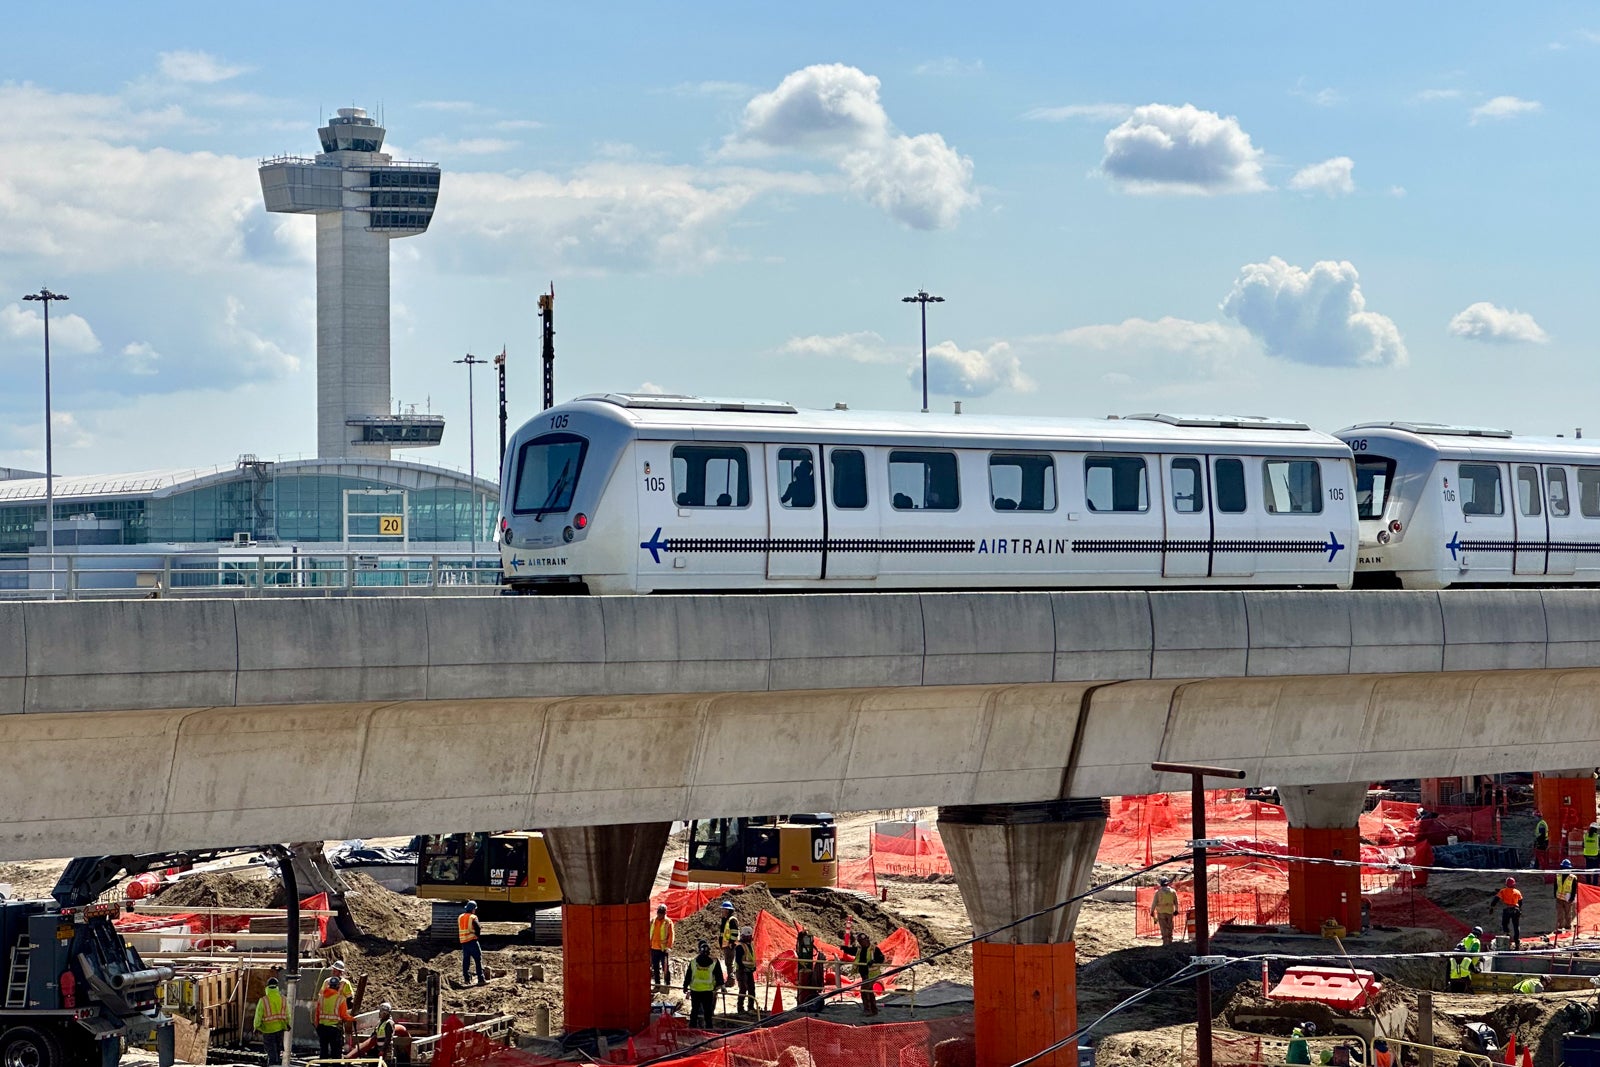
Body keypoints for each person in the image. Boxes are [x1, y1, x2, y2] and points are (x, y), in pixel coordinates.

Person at [682, 940, 724, 1029]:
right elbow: (719, 976)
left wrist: (685, 986)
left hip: (695, 990)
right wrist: (720, 986)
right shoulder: (714, 962)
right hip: (708, 991)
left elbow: (688, 975)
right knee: (708, 1012)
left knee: (694, 1011)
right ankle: (708, 1029)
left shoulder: (693, 962)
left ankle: (692, 1028)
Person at [313, 974, 354, 1061]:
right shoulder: (340, 999)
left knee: (323, 1051)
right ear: (338, 986)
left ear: (329, 985)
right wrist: (352, 1019)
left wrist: (317, 1026)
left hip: (322, 1028)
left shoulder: (321, 998)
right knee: (336, 1052)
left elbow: (316, 1014)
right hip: (334, 1029)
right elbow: (344, 1015)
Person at [252, 976, 289, 1066]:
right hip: (280, 1029)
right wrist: (287, 1024)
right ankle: (278, 1064)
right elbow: (288, 1014)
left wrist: (256, 1027)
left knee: (271, 1051)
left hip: (268, 1030)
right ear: (277, 987)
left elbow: (258, 1016)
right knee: (278, 1050)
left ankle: (273, 1065)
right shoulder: (283, 999)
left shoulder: (263, 1000)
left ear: (267, 987)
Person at [853, 932, 884, 1018]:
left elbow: (881, 958)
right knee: (869, 992)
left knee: (864, 991)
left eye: (863, 941)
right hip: (864, 975)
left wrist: (874, 961)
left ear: (867, 940)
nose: (862, 943)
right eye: (860, 941)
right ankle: (874, 1010)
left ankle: (868, 1010)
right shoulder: (860, 949)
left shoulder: (874, 949)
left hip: (872, 974)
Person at [795, 929, 824, 1013]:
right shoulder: (800, 948)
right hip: (803, 967)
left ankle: (804, 1000)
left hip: (806, 966)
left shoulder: (805, 946)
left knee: (806, 982)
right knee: (804, 982)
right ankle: (802, 1001)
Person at [458, 901, 486, 986]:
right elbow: (477, 928)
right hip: (472, 941)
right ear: (473, 909)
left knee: (466, 960)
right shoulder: (473, 917)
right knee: (478, 959)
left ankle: (466, 979)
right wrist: (477, 936)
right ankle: (481, 979)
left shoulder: (460, 916)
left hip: (463, 941)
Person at [1449, 927, 1483, 992]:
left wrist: (1447, 982)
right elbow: (1473, 954)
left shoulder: (1464, 939)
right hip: (1464, 980)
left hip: (1453, 981)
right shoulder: (1476, 941)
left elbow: (1448, 973)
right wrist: (1477, 968)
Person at [734, 925, 759, 1014]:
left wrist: (753, 967)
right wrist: (743, 968)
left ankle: (751, 1007)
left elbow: (751, 958)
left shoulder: (749, 946)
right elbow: (738, 960)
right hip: (742, 971)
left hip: (749, 971)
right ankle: (740, 1008)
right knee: (743, 989)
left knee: (751, 989)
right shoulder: (740, 946)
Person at [1492, 876, 1522, 949]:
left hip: (1507, 909)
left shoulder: (1503, 891)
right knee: (1516, 926)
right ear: (1514, 884)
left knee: (1505, 923)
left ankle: (1507, 935)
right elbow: (1520, 902)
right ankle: (1517, 943)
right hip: (1515, 909)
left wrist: (1492, 907)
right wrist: (1520, 909)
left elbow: (1496, 899)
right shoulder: (1517, 892)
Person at [649, 904, 675, 987]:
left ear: (664, 913)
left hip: (663, 949)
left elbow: (671, 935)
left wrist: (669, 946)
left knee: (665, 968)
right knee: (655, 967)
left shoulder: (668, 922)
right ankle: (657, 984)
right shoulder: (653, 921)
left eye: (661, 914)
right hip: (653, 947)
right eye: (658, 913)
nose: (659, 915)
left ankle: (667, 984)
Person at [1151, 877, 1180, 946]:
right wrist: (1176, 910)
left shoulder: (1158, 892)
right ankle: (1170, 941)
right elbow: (1176, 902)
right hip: (1170, 911)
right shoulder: (1173, 891)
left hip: (1161, 912)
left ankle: (1165, 942)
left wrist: (1152, 911)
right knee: (1170, 926)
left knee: (1163, 927)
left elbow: (1154, 903)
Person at [718, 901, 739, 987]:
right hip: (726, 945)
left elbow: (734, 933)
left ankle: (731, 981)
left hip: (730, 946)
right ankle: (730, 980)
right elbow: (723, 933)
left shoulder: (732, 920)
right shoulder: (725, 920)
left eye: (723, 910)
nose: (722, 911)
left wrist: (731, 942)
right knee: (728, 963)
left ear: (727, 910)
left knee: (729, 963)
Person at [1556, 859, 1580, 933]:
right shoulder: (1558, 875)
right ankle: (1559, 928)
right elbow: (1555, 886)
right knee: (1559, 913)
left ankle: (1568, 927)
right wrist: (1555, 895)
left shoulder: (1573, 878)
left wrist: (1572, 898)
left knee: (1568, 914)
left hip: (1568, 899)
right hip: (1559, 898)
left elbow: (1574, 889)